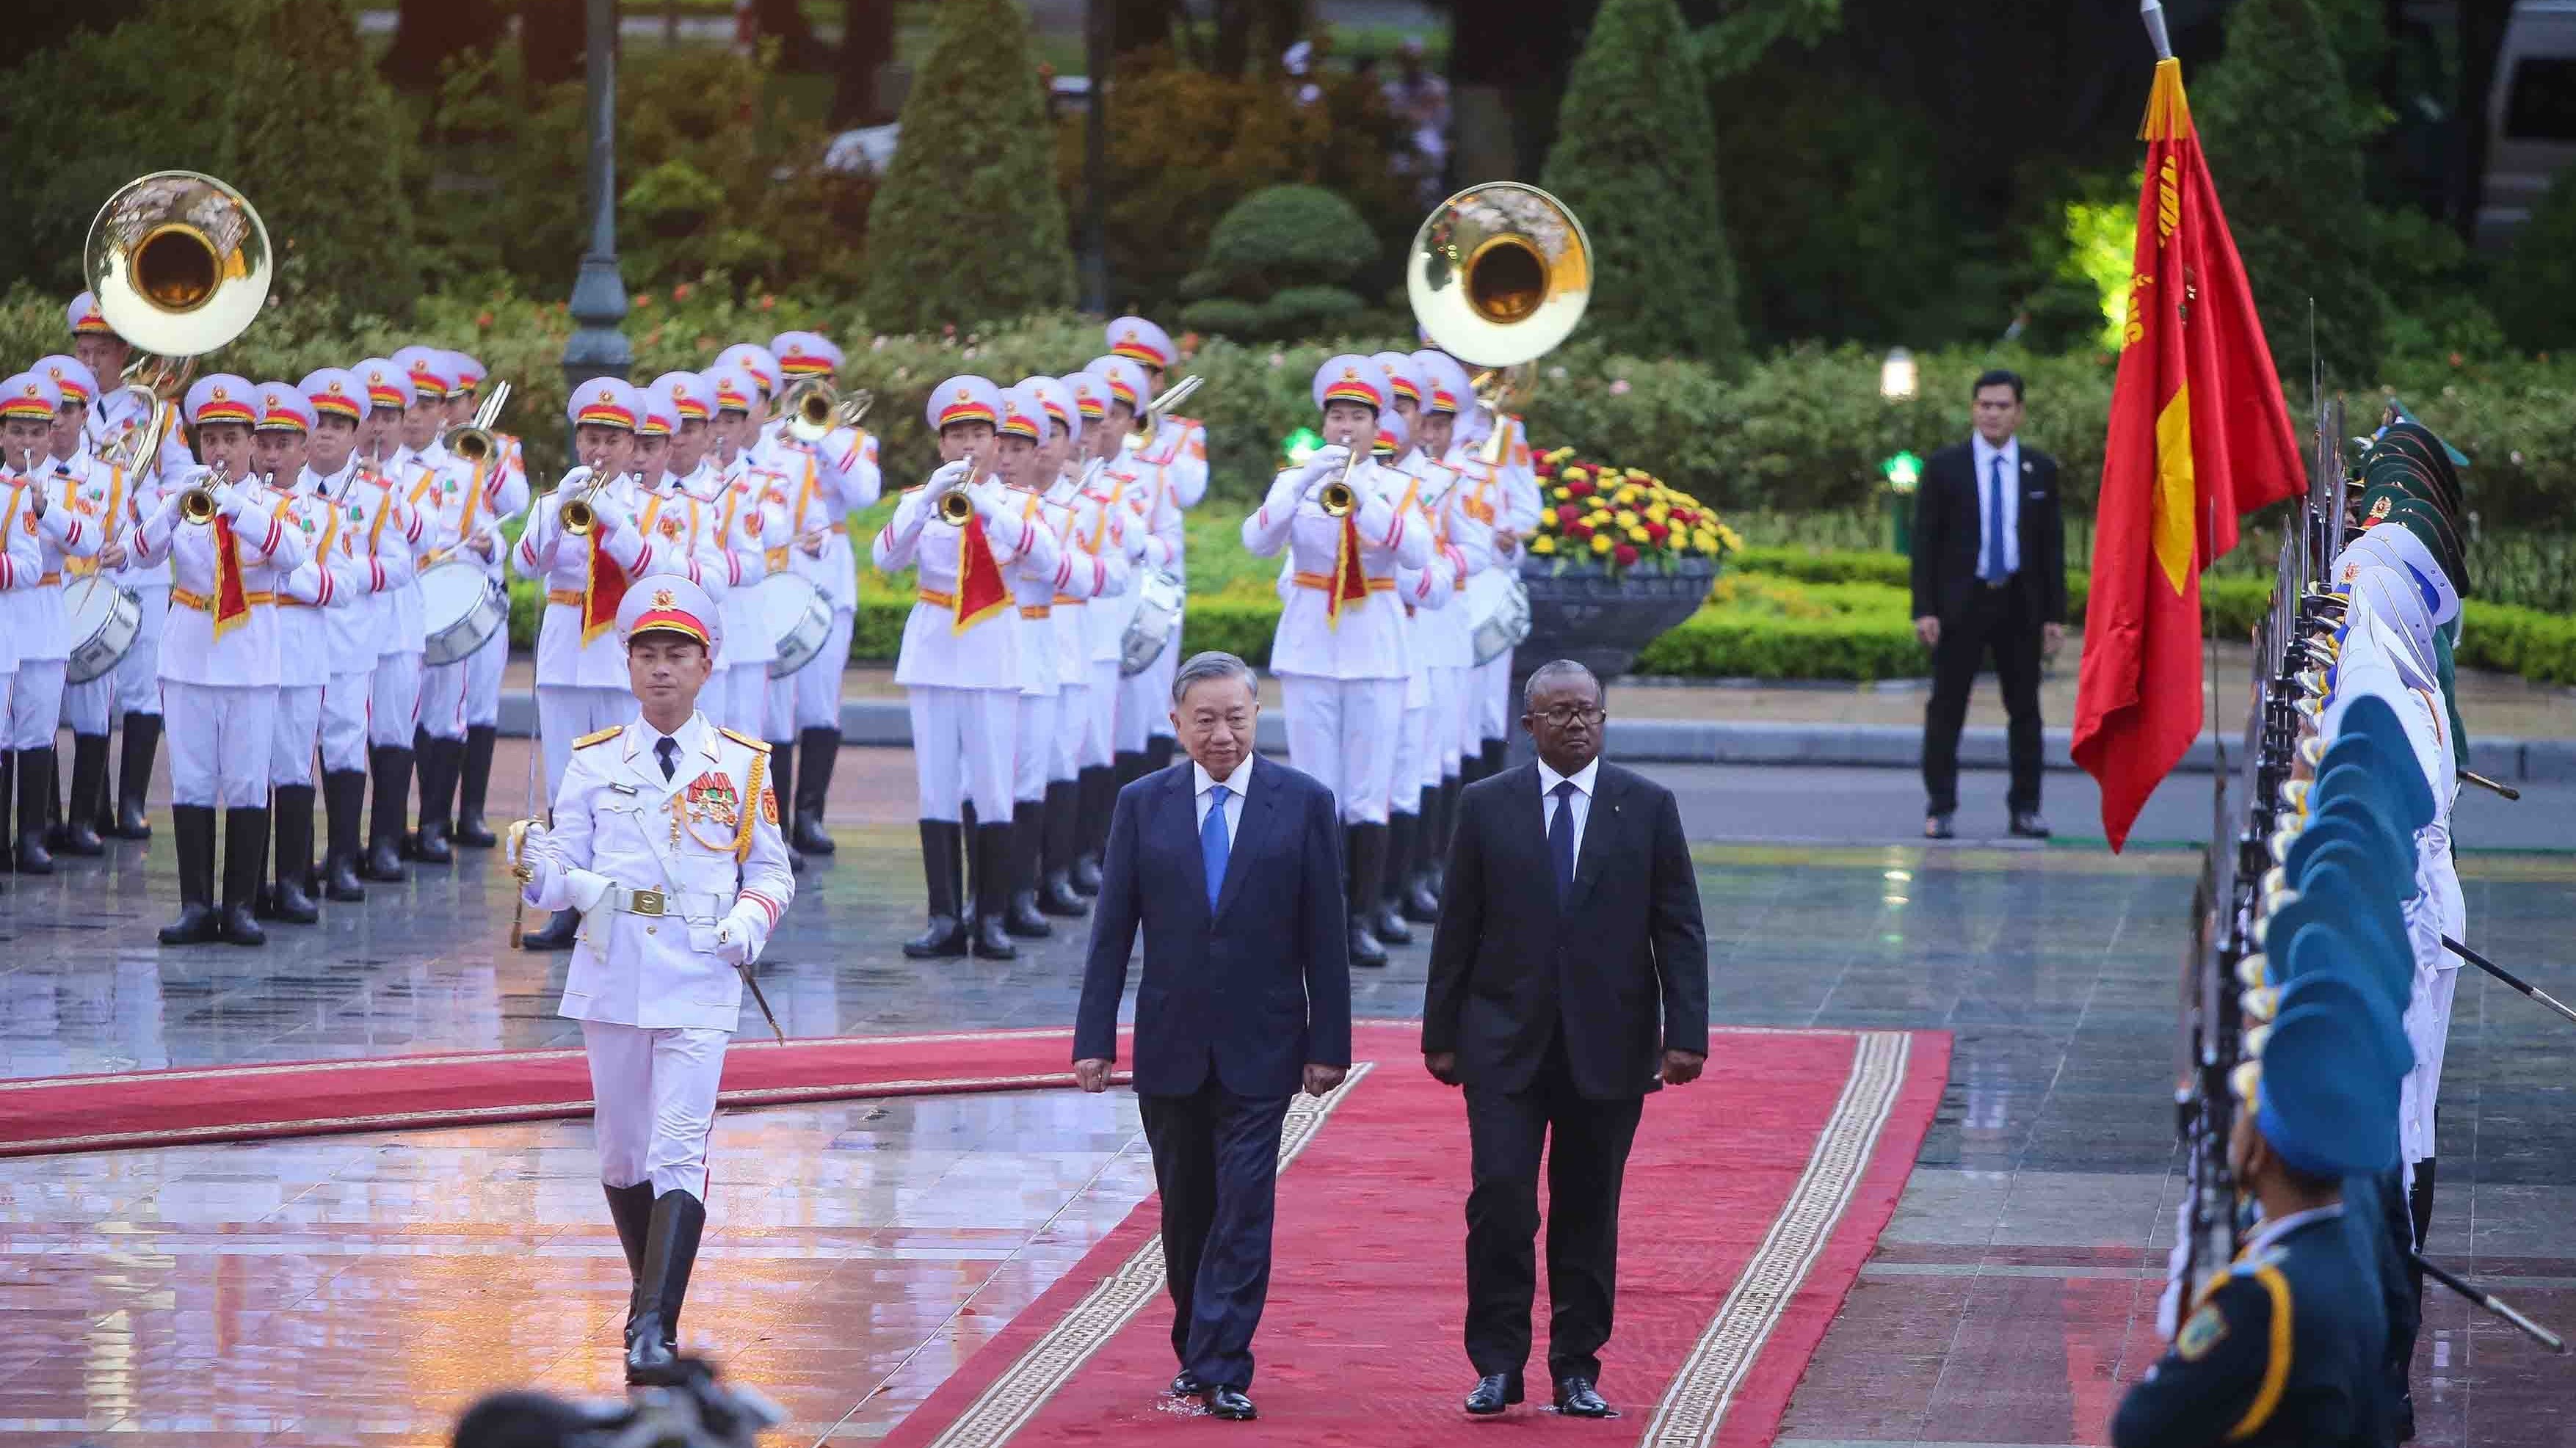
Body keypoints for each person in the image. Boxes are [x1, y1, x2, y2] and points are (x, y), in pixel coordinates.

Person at [508, 574, 793, 1386]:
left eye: (677, 655)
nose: (661, 670)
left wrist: (748, 923)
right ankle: (651, 1300)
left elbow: (772, 873)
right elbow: (563, 868)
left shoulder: (740, 763)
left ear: (707, 665)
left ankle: (650, 1328)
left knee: (678, 1147)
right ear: (627, 665)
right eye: (647, 655)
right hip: (615, 963)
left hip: (702, 970)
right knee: (620, 1152)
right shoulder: (595, 760)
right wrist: (535, 871)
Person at [1421, 658, 1708, 1419]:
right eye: (1559, 712)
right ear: (1529, 726)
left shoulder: (1644, 805)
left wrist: (1684, 1033)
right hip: (1502, 1044)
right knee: (1501, 1199)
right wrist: (1439, 1034)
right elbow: (1457, 926)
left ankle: (1576, 1366)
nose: (1576, 723)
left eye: (1588, 711)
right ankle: (1496, 1363)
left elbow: (1676, 925)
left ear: (1602, 718)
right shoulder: (1485, 806)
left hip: (1608, 1047)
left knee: (1588, 1208)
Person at [1073, 650, 1353, 1422]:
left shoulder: (1302, 802)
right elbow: (1111, 932)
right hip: (1169, 1044)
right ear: (1176, 722)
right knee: (1186, 1209)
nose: (1222, 733)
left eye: (1236, 716)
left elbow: (1325, 933)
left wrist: (1329, 1040)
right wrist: (1093, 1038)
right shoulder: (1142, 802)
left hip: (1264, 1045)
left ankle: (1222, 1363)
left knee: (1243, 1204)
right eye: (1205, 719)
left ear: (1257, 716)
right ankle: (1196, 1348)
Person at [2111, 957, 2402, 1447]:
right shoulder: (2345, 1239)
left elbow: (2141, 1424)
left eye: (2247, 1111)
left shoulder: (2259, 1298)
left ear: (2259, 1149)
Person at [513, 379, 722, 950]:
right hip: (563, 658)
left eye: (611, 439)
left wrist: (616, 523)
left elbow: (666, 577)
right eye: (590, 438)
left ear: (635, 446)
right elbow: (527, 563)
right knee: (566, 786)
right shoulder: (557, 498)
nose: (599, 451)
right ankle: (569, 903)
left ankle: (630, 897)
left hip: (618, 658)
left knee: (626, 782)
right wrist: (559, 509)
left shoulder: (660, 509)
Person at [1241, 354, 1429, 969]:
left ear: (1379, 428)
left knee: (1368, 793)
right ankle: (1312, 918)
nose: (1345, 428)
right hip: (1310, 647)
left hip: (1374, 647)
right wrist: (1299, 483)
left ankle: (1361, 918)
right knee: (1315, 789)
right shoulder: (1298, 481)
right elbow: (1257, 539)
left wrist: (1363, 499)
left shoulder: (1395, 486)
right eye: (1336, 416)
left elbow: (1416, 553)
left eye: (1357, 417)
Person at [871, 376, 1053, 960]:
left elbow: (1048, 561)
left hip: (992, 650)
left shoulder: (1019, 503)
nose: (969, 445)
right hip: (933, 649)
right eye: (957, 435)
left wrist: (992, 507)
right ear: (941, 443)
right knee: (937, 788)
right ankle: (944, 916)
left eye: (980, 434)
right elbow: (884, 556)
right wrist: (927, 500)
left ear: (999, 443)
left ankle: (991, 915)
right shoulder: (920, 500)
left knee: (994, 788)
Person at [131, 375, 311, 945]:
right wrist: (175, 510)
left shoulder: (274, 502)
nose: (220, 451)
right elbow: (141, 551)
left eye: (232, 438)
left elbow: (293, 554)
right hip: (188, 650)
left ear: (253, 442)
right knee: (192, 779)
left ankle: (239, 906)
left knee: (246, 779)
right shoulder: (179, 497)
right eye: (210, 439)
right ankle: (194, 905)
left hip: (251, 652)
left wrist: (236, 506)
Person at [1909, 368, 2065, 840]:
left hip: (2019, 603)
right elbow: (1925, 545)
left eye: (2002, 406)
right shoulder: (1945, 467)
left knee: (2025, 710)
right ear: (1973, 409)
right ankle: (1940, 807)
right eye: (1984, 405)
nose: (1992, 413)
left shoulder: (2040, 469)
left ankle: (2026, 809)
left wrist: (2055, 615)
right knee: (1946, 709)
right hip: (1961, 602)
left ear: (2018, 412)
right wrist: (1925, 609)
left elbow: (2052, 548)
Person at [70, 291, 196, 843]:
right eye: (83, 350)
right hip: (85, 560)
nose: (90, 362)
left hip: (141, 563)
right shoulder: (64, 411)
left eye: (101, 351)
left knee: (143, 685)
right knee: (89, 686)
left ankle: (132, 803)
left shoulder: (158, 411)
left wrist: (139, 506)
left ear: (124, 353)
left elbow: (184, 481)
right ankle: (89, 806)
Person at [755, 335, 882, 861]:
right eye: (789, 385)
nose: (798, 394)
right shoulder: (763, 440)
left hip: (827, 577)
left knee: (820, 702)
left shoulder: (850, 441)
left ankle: (811, 815)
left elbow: (865, 493)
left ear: (830, 387)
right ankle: (776, 823)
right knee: (774, 709)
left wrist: (823, 432)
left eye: (810, 385)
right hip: (776, 573)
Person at [296, 367, 413, 903]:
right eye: (317, 422)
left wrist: (351, 577)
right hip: (293, 636)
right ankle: (293, 863)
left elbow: (399, 565)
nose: (325, 433)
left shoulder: (376, 494)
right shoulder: (282, 489)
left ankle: (342, 857)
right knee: (293, 748)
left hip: (348, 637)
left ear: (355, 431)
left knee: (344, 745)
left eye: (338, 424)